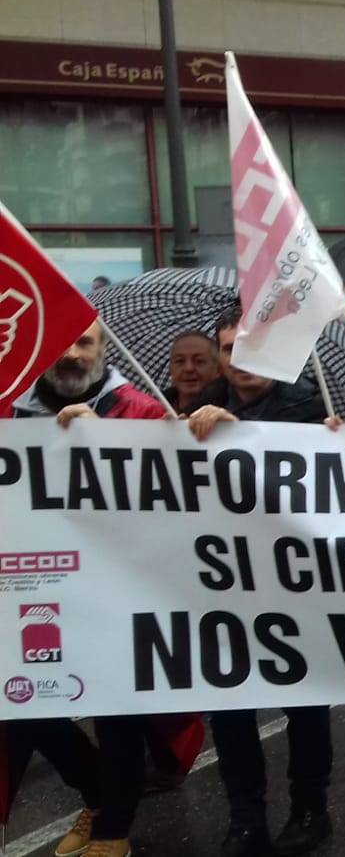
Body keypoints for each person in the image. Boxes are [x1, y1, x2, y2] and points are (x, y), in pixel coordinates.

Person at [8, 320, 168, 857]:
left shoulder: (141, 410)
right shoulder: (8, 409)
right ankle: (99, 790)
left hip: (117, 586)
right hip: (32, 590)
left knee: (116, 705)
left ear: (103, 351)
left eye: (85, 343)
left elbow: (168, 498)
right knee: (23, 703)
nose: (72, 354)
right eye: (60, 345)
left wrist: (100, 441)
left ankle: (113, 827)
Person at [189, 305, 336, 857]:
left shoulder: (308, 408)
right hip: (225, 588)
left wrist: (246, 436)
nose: (241, 361)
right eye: (230, 350)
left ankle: (309, 810)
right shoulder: (196, 408)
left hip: (296, 588)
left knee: (305, 703)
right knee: (229, 707)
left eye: (253, 348)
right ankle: (246, 817)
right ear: (220, 359)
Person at [161, 329, 225, 414]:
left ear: (218, 370)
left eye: (199, 361)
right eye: (180, 361)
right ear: (170, 369)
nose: (188, 368)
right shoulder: (154, 411)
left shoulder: (232, 412)